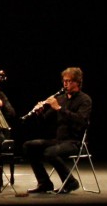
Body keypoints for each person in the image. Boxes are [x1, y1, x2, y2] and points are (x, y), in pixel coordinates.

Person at [22, 66, 92, 194]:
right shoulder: (61, 99)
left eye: (69, 81)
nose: (65, 84)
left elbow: (81, 121)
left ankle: (71, 182)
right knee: (28, 146)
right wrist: (39, 113)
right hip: (59, 140)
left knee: (49, 152)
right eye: (64, 81)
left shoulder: (85, 100)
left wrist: (59, 109)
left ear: (77, 82)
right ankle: (44, 183)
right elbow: (45, 122)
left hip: (75, 142)